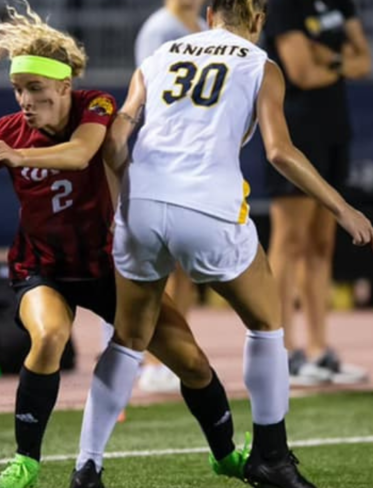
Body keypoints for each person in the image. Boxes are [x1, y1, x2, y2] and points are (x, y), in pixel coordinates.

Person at [0, 6, 250, 488]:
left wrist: (19, 156)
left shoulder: (94, 107)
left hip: (108, 265)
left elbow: (81, 153)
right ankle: (25, 463)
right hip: (43, 268)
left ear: (63, 87)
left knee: (192, 361)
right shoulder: (8, 131)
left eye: (36, 89)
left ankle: (224, 456)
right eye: (18, 89)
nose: (25, 100)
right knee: (49, 336)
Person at [73, 0, 373, 487]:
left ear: (209, 13)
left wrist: (121, 209)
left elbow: (116, 139)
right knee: (266, 323)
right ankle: (272, 457)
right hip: (208, 208)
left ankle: (87, 466)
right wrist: (342, 208)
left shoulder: (159, 55)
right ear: (258, 21)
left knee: (128, 339)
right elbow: (280, 151)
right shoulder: (260, 63)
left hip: (142, 203)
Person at [262, 0, 372, 386]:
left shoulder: (340, 2)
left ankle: (320, 351)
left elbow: (366, 61)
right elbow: (302, 73)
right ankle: (283, 351)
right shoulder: (283, 6)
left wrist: (333, 60)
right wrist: (343, 61)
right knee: (289, 240)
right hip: (297, 133)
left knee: (322, 243)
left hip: (335, 130)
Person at [125, 0, 209, 395]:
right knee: (159, 264)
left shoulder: (197, 23)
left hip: (195, 159)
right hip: (166, 158)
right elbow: (152, 95)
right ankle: (152, 360)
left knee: (184, 269)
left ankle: (174, 355)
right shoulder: (161, 28)